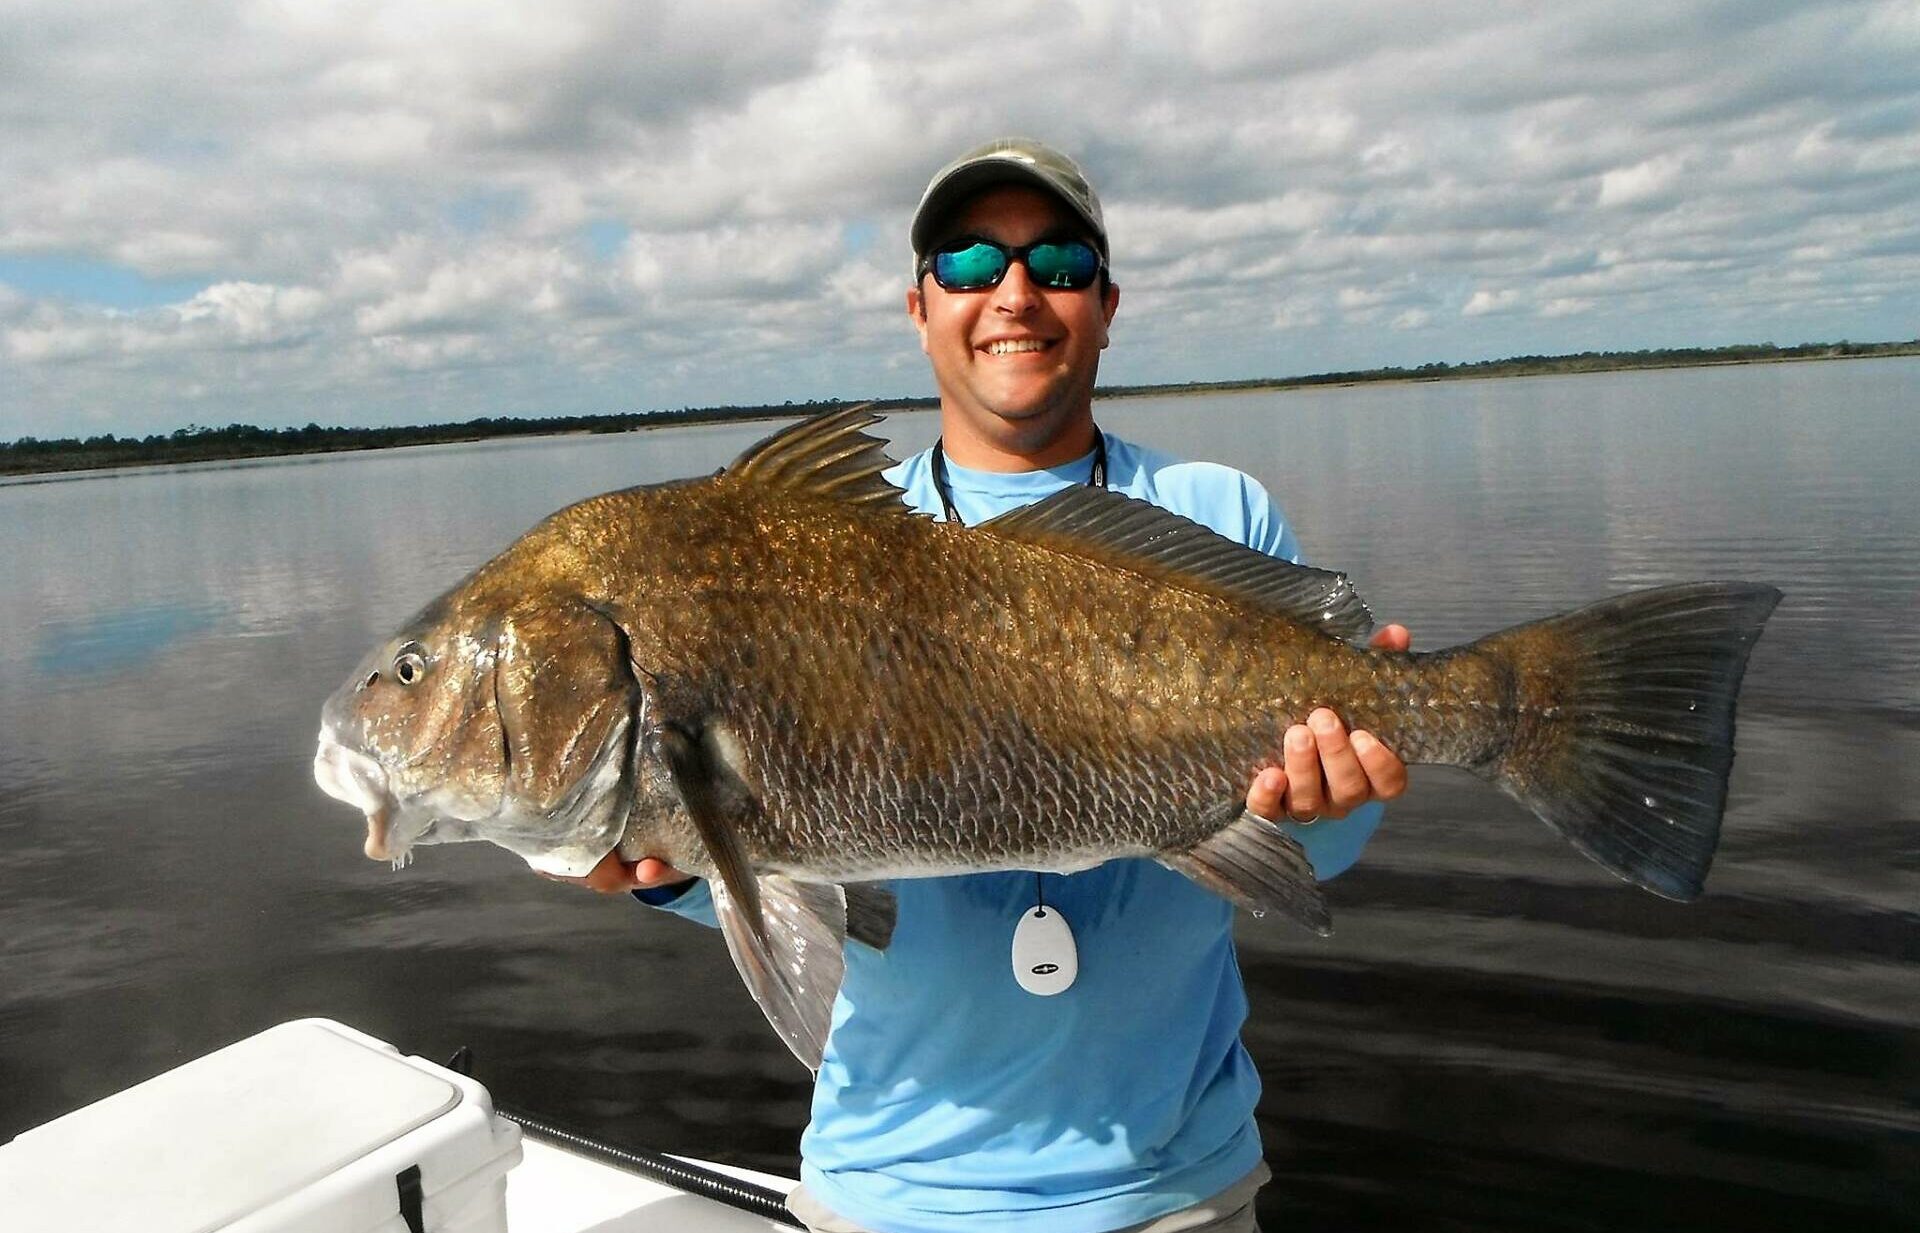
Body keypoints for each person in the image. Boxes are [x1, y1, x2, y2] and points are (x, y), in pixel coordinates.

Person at [555, 138, 1410, 1233]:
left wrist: (1339, 801)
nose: (1014, 293)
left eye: (1056, 261)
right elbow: (795, 873)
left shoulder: (1217, 512)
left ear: (1106, 303)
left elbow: (1312, 848)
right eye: (967, 265)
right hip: (886, 1193)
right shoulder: (811, 546)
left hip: (1179, 1189)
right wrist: (669, 870)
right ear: (919, 307)